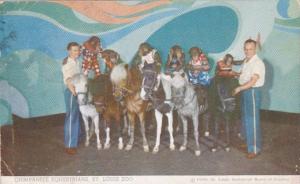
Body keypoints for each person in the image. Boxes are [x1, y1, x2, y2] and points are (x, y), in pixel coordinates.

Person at [233, 39, 265, 159]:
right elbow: (243, 75)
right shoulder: (247, 61)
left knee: (252, 120)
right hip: (245, 91)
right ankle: (248, 143)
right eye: (245, 49)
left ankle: (255, 149)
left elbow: (253, 81)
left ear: (255, 49)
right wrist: (232, 73)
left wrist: (239, 89)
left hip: (252, 92)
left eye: (250, 49)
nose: (247, 51)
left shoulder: (257, 63)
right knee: (245, 118)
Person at [61, 42, 81, 155]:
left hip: (78, 91)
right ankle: (69, 145)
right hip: (71, 91)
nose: (77, 52)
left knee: (76, 115)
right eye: (74, 50)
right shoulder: (67, 63)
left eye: (78, 50)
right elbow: (68, 79)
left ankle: (75, 140)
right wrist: (73, 92)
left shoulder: (76, 61)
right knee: (71, 117)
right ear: (69, 51)